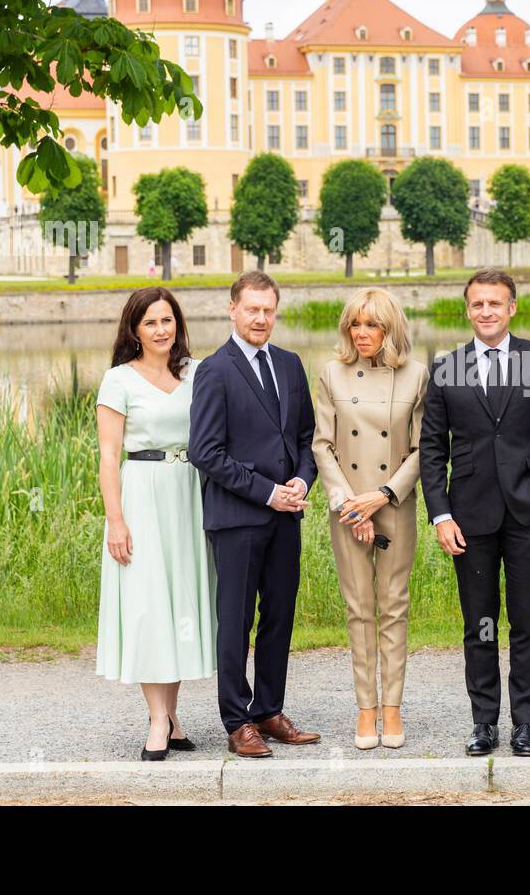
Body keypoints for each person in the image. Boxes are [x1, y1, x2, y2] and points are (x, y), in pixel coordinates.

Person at [419, 268, 530, 757]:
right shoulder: (446, 367)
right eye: (478, 304)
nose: (486, 312)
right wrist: (441, 514)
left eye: (495, 303)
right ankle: (484, 722)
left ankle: (525, 723)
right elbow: (431, 449)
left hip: (529, 512)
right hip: (469, 516)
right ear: (468, 310)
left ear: (512, 308)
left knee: (527, 622)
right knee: (479, 622)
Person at [189, 271, 320, 758]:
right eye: (252, 309)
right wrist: (267, 493)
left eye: (268, 310)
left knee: (280, 616)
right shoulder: (214, 369)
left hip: (288, 515)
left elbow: (305, 438)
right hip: (238, 516)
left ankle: (269, 710)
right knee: (237, 619)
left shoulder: (290, 364)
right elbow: (205, 451)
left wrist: (303, 481)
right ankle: (236, 719)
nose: (261, 318)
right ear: (232, 309)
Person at [94, 287, 216, 761]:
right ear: (134, 330)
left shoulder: (196, 373)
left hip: (188, 492)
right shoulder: (118, 381)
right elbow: (108, 456)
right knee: (149, 605)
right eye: (151, 323)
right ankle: (158, 719)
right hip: (141, 492)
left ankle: (173, 714)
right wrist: (116, 520)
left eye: (168, 320)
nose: (162, 330)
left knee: (179, 605)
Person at [311, 288, 428, 750]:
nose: (363, 333)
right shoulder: (330, 374)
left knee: (394, 606)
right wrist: (349, 503)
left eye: (373, 324)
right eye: (356, 324)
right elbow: (324, 445)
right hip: (347, 511)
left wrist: (381, 496)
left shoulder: (417, 376)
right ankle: (366, 709)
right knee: (359, 609)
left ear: (390, 328)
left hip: (394, 506)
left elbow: (423, 449)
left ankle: (393, 707)